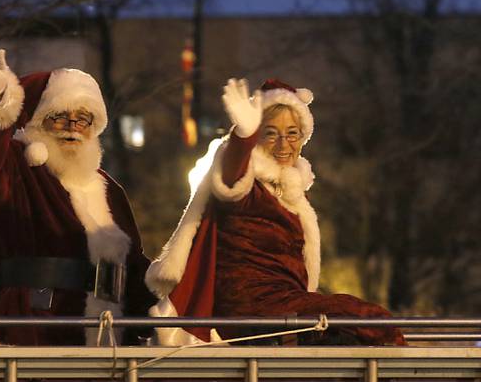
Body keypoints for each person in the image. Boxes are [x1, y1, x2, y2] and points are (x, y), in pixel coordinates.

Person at [145, 78, 404, 346]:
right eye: (270, 133)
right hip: (251, 305)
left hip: (284, 302)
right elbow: (232, 176)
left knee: (357, 333)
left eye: (292, 133)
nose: (283, 145)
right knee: (370, 319)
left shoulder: (292, 195)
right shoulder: (248, 188)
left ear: (303, 138)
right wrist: (242, 137)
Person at [0, 39, 154, 346]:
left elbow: (134, 267)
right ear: (37, 122)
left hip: (107, 338)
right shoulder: (16, 172)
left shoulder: (109, 189)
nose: (72, 127)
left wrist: (166, 295)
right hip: (32, 329)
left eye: (83, 119)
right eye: (59, 116)